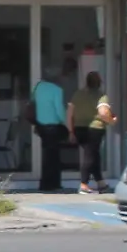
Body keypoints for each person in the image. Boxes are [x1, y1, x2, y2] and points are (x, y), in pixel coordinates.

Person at [66, 70, 118, 195]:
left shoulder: (77, 94)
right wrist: (112, 121)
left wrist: (70, 131)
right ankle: (84, 185)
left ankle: (101, 183)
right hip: (95, 129)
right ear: (99, 82)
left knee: (94, 155)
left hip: (79, 128)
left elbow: (69, 113)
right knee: (90, 156)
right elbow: (103, 113)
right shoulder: (101, 95)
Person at [29, 58, 73, 192]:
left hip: (41, 126)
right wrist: (66, 123)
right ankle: (52, 183)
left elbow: (33, 103)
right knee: (53, 156)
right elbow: (59, 110)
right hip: (53, 126)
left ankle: (46, 182)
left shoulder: (37, 87)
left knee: (47, 154)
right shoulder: (57, 90)